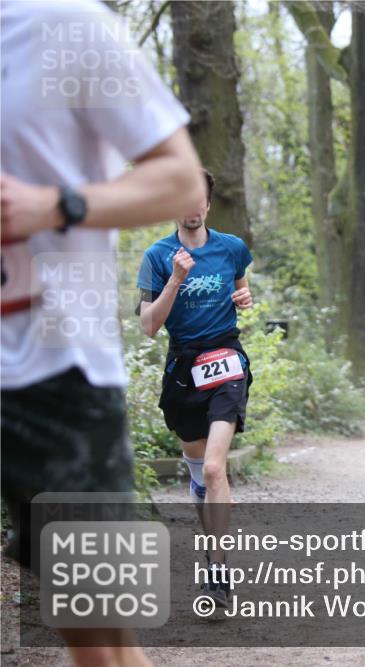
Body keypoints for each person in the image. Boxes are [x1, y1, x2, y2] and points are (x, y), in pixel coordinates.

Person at [1, 0, 204, 664]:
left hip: (51, 371)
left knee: (96, 629)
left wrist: (54, 204)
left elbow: (178, 177)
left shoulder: (65, 25)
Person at [137, 168, 253, 609]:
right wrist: (175, 280)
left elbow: (242, 290)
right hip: (183, 370)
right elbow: (149, 326)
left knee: (214, 469)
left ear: (208, 203)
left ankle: (217, 574)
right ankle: (206, 498)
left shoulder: (232, 248)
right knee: (201, 475)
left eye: (198, 198)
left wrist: (244, 298)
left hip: (226, 362)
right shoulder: (157, 255)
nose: (192, 207)